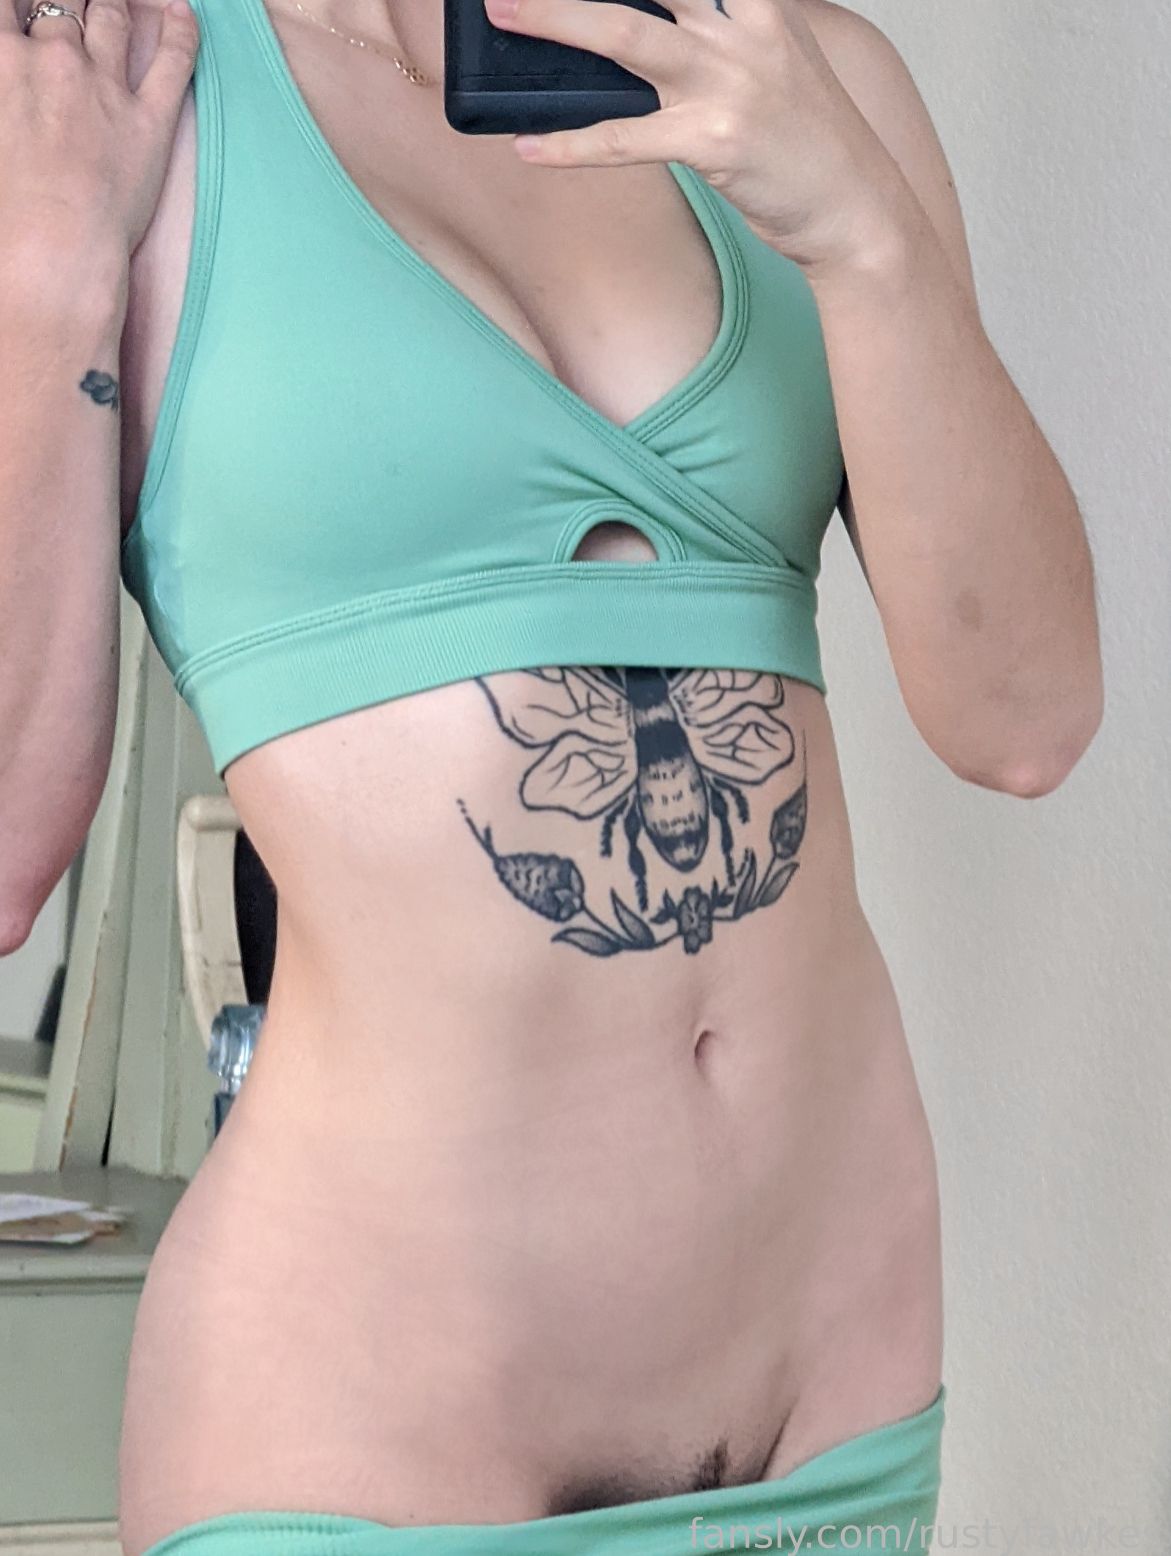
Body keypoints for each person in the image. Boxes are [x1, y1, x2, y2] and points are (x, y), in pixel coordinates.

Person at [0, 0, 1103, 1550]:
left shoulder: (799, 74)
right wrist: (44, 288)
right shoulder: (95, 97)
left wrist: (866, 234)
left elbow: (1027, 719)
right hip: (365, 1427)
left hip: (827, 1412)